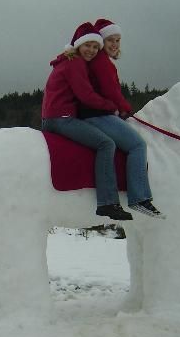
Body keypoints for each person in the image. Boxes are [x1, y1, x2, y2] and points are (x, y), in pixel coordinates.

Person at [42, 22, 133, 221]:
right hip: (62, 118)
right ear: (77, 45)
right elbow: (86, 95)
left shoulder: (67, 60)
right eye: (87, 45)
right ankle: (107, 202)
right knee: (106, 143)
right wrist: (112, 107)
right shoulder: (75, 63)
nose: (91, 50)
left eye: (95, 47)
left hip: (54, 117)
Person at [79, 18, 164, 219]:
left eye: (117, 40)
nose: (115, 44)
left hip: (94, 113)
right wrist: (125, 109)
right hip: (97, 115)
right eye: (110, 40)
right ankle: (139, 198)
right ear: (101, 41)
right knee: (137, 145)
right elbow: (112, 92)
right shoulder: (102, 62)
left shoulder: (99, 61)